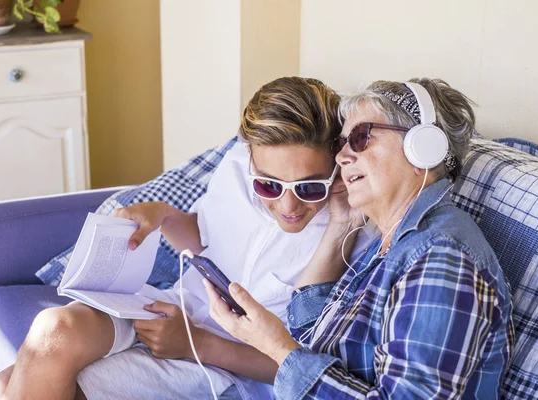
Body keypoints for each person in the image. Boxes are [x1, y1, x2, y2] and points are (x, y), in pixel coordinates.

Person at [0, 77, 373, 400]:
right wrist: (164, 216)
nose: (288, 203)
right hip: (173, 306)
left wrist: (195, 344)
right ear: (251, 158)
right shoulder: (236, 167)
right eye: (269, 185)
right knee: (52, 330)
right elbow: (209, 242)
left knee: (12, 383)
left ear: (336, 164)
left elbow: (303, 366)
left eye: (309, 187)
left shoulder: (350, 228)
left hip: (225, 364)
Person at [206, 78, 515, 399]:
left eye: (360, 137)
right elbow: (313, 332)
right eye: (341, 144)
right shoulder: (395, 242)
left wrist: (277, 348)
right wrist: (341, 223)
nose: (341, 158)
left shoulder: (442, 257)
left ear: (422, 148)